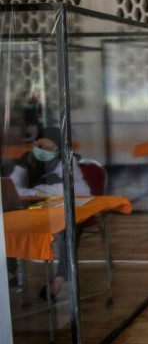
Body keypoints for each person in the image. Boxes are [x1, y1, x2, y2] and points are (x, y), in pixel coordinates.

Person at [9, 126, 90, 300]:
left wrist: (37, 189)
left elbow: (80, 190)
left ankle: (60, 278)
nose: (42, 151)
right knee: (7, 218)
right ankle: (10, 273)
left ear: (58, 149)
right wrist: (45, 190)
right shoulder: (27, 160)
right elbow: (13, 187)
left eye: (48, 149)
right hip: (34, 212)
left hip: (60, 210)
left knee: (70, 225)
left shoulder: (67, 161)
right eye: (39, 146)